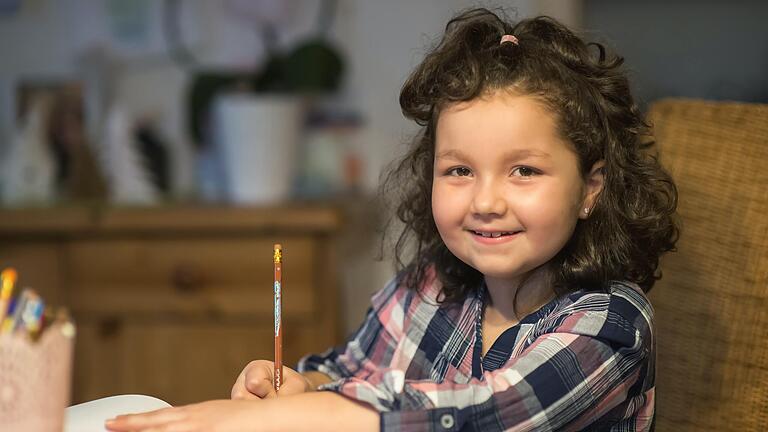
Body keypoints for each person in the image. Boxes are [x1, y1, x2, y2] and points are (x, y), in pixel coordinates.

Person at [105, 8, 678, 432]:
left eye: (523, 171)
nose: (485, 201)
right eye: (458, 171)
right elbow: (348, 368)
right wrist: (304, 385)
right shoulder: (429, 285)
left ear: (591, 189)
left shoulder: (611, 327)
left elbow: (482, 415)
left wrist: (296, 418)